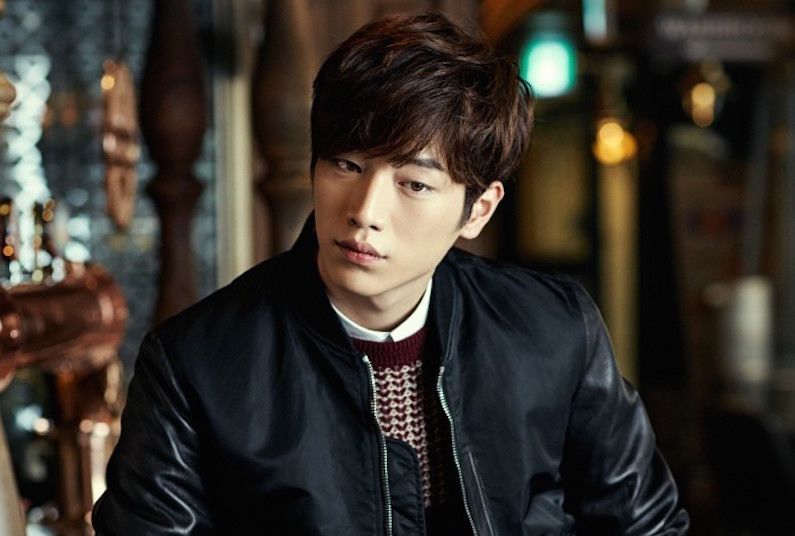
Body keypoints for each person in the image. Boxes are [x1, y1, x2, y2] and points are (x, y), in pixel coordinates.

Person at [93, 12, 688, 535]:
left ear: (478, 210)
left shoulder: (555, 330)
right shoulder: (196, 365)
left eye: (414, 184)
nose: (365, 211)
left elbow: (645, 524)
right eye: (346, 164)